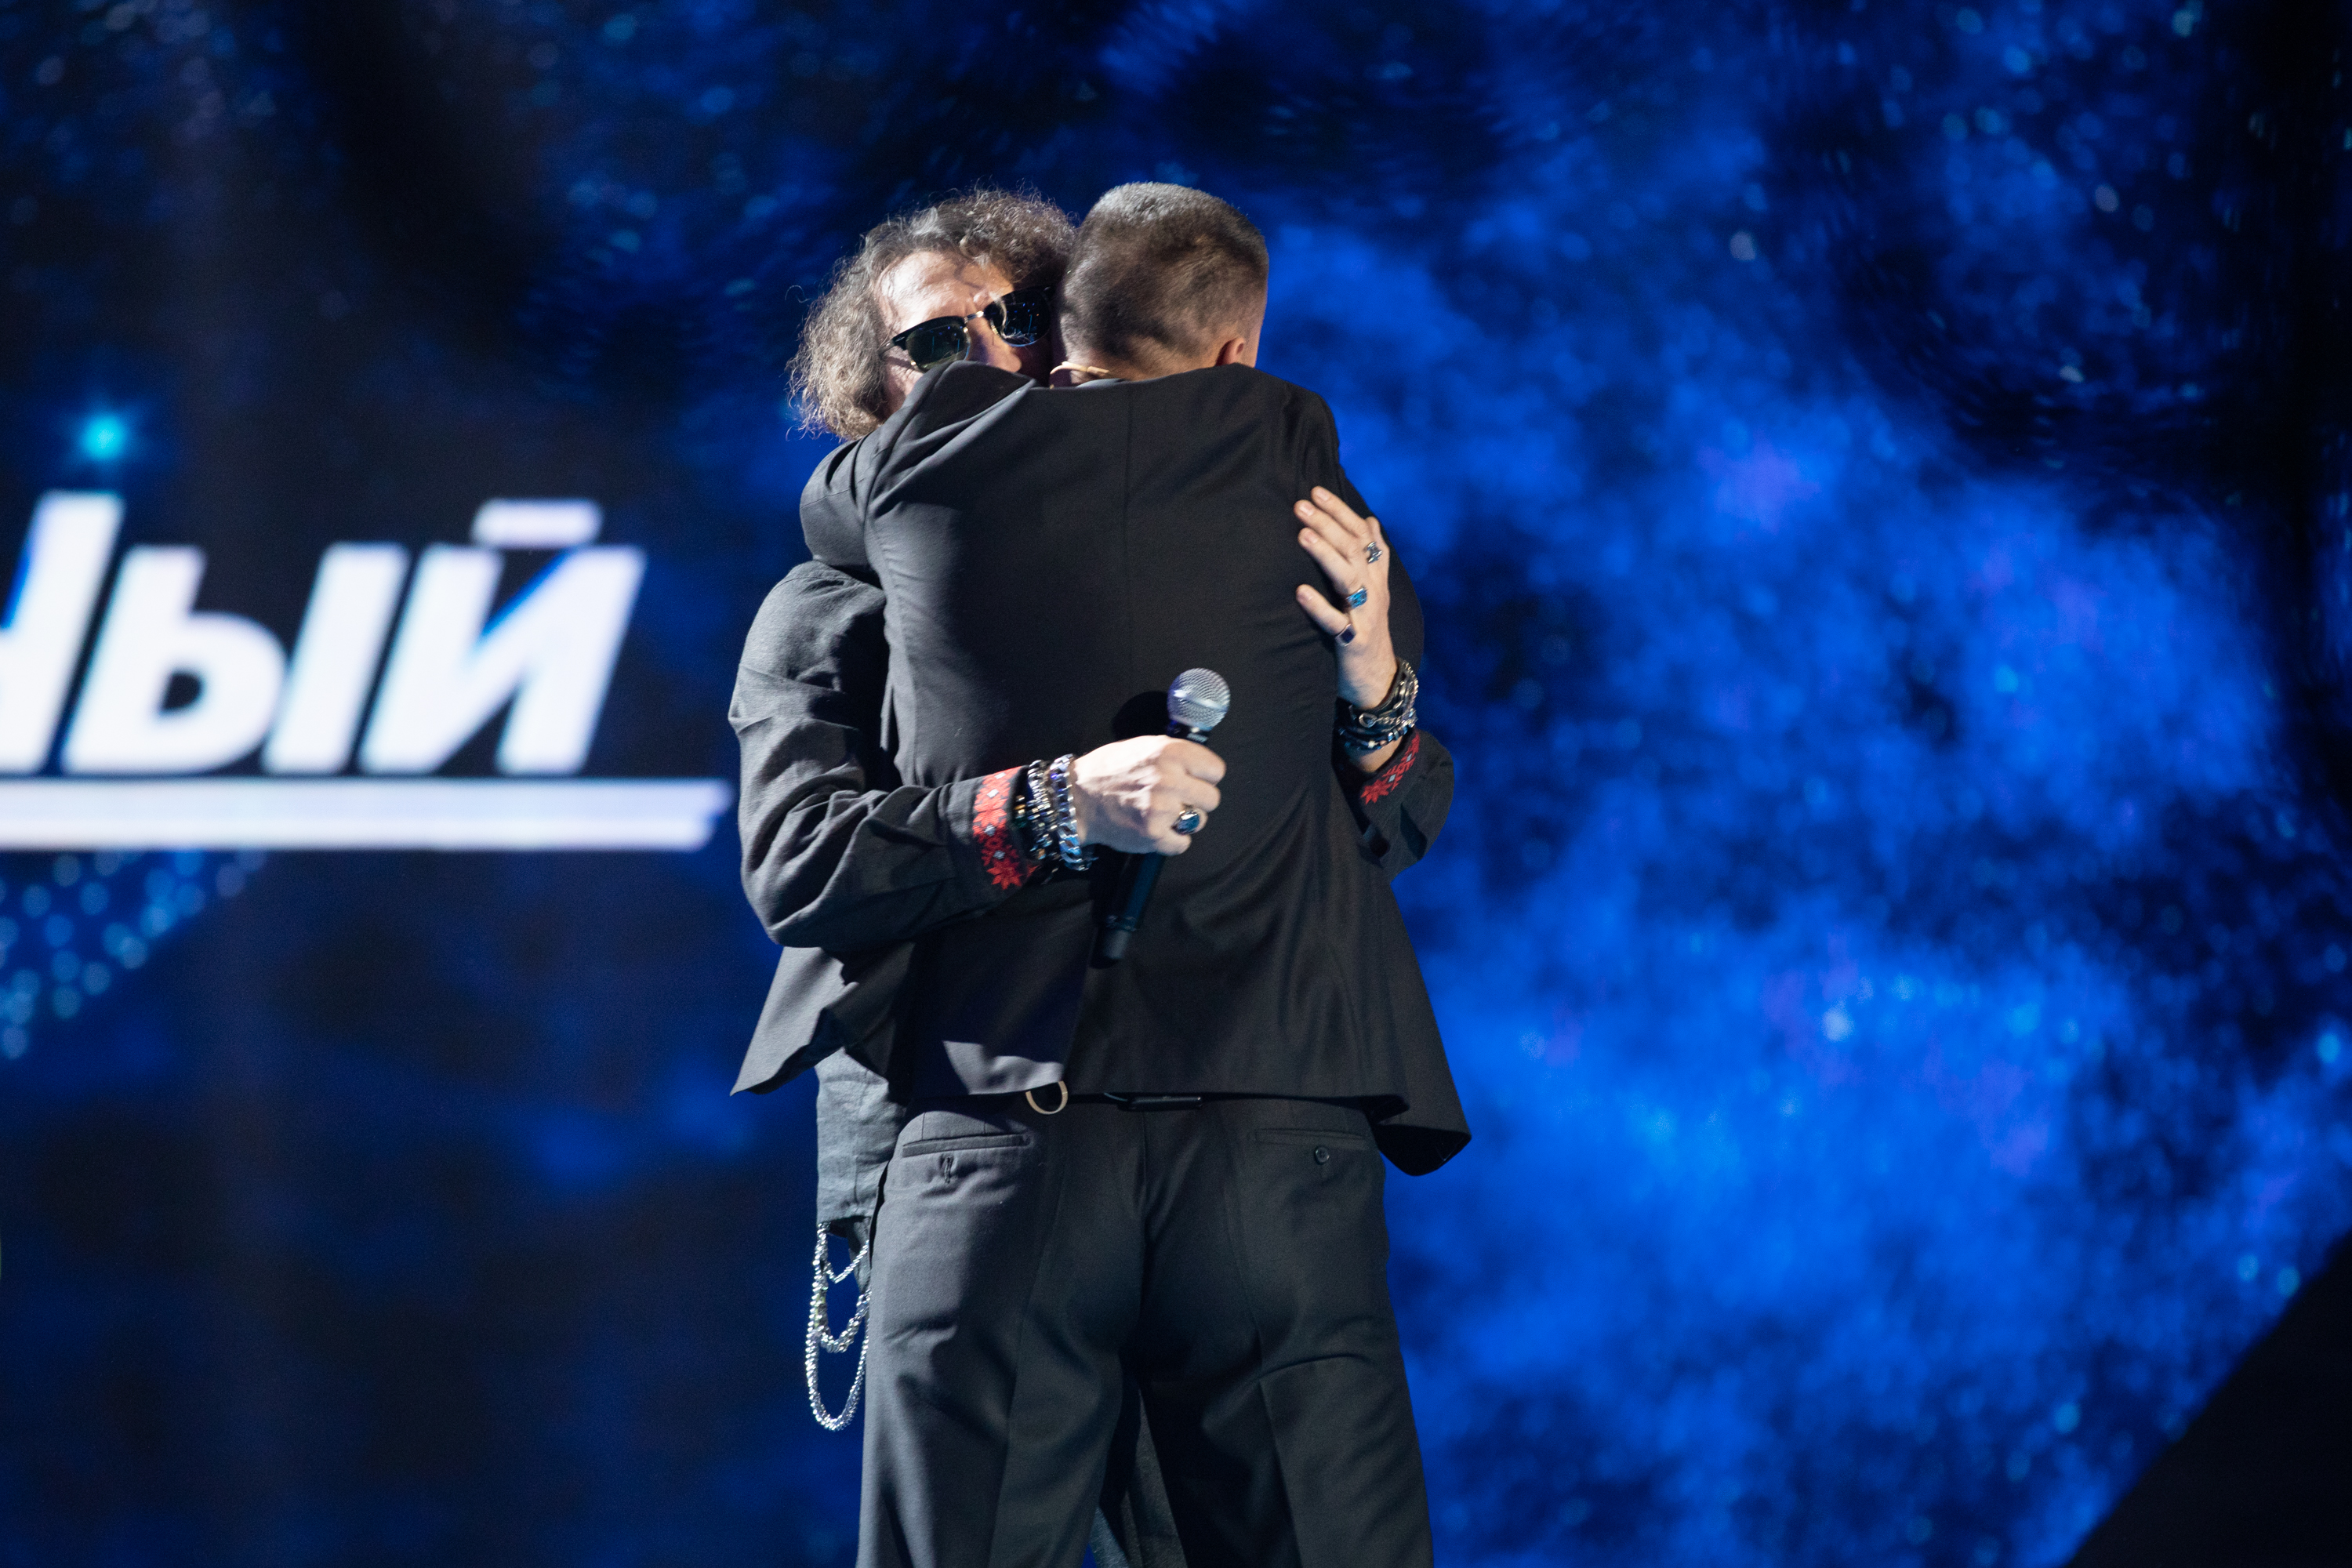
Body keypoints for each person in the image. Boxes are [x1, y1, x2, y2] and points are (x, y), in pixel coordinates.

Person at [735, 182, 1461, 1566]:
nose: (987, 357)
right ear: (871, 397)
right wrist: (1054, 807)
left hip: (1252, 1142)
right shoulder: (837, 598)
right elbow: (803, 862)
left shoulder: (1270, 516)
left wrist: (1379, 687)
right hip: (1000, 1142)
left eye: (1016, 316)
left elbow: (1396, 818)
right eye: (935, 346)